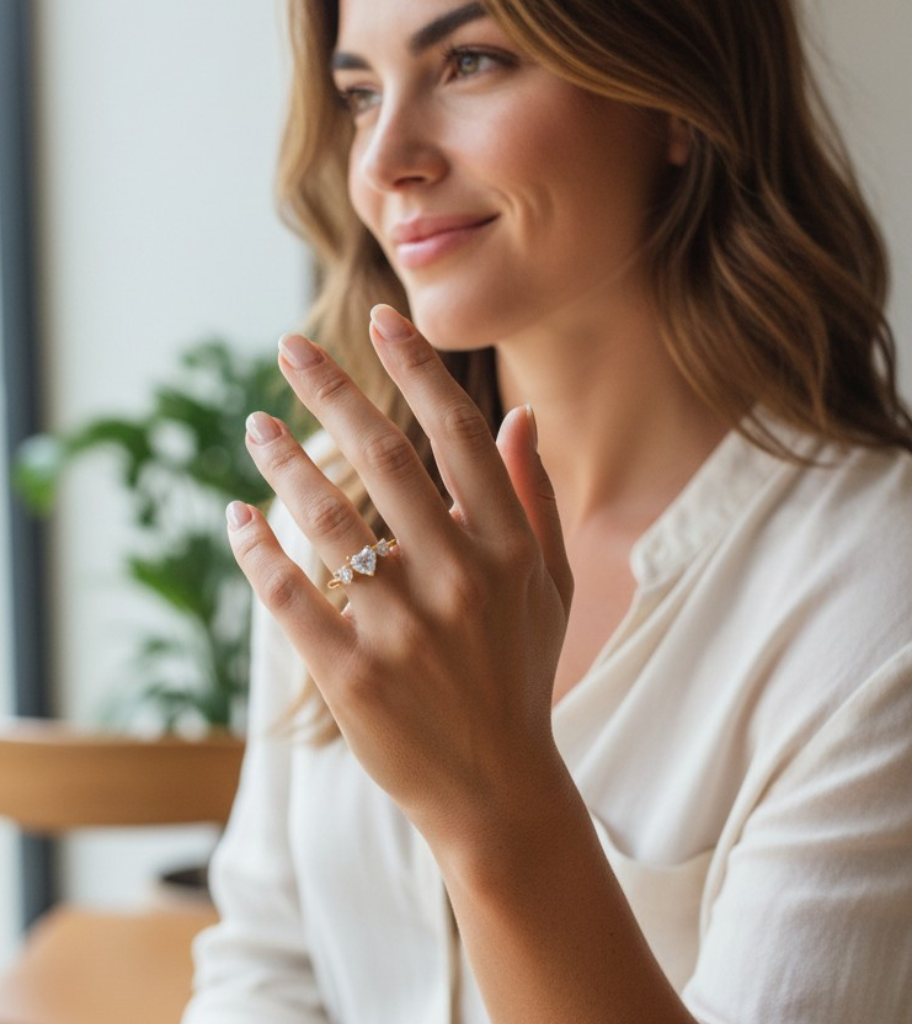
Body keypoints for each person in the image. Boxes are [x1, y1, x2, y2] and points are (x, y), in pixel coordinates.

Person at [184, 0, 912, 1021]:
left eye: (470, 61)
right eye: (358, 94)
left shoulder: (875, 607)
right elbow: (262, 961)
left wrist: (495, 807)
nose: (384, 159)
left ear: (675, 102)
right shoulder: (339, 517)